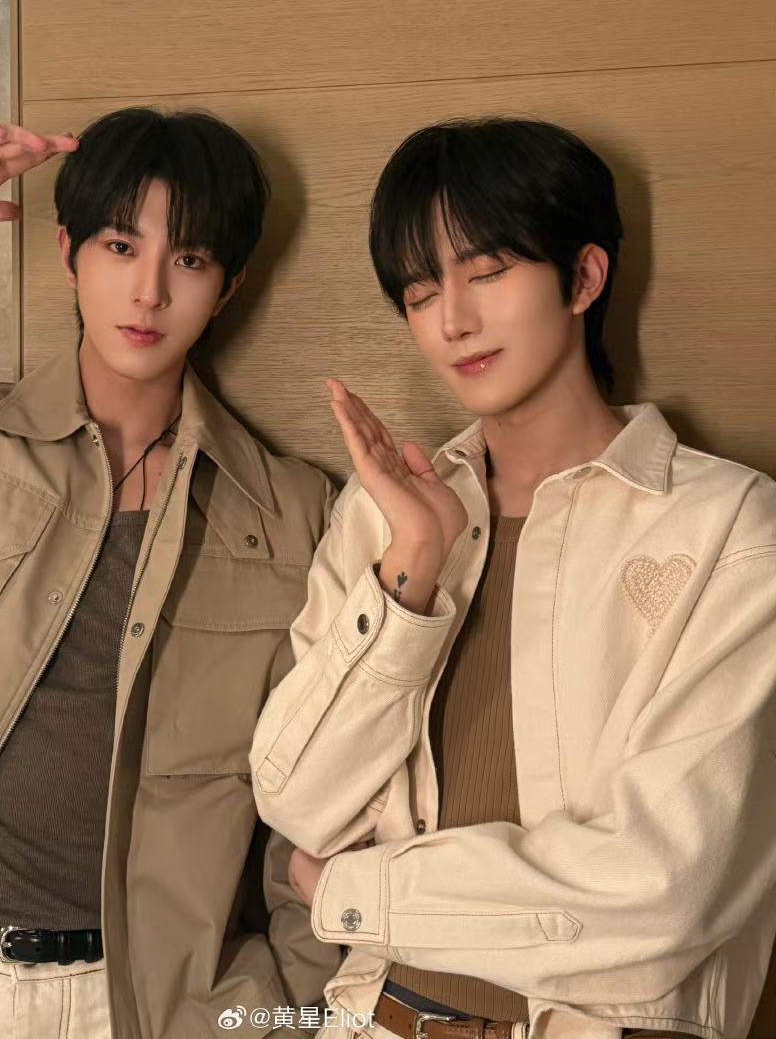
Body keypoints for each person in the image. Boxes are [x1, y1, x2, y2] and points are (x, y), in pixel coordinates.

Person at [0, 109, 340, 1038]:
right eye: (119, 246)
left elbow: (325, 801)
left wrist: (262, 1018)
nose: (148, 291)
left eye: (188, 260)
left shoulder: (290, 515)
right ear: (68, 253)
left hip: (142, 1009)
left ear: (227, 288)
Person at [250, 118, 776, 1039]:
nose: (452, 321)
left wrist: (352, 892)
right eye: (420, 292)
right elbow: (296, 799)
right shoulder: (386, 517)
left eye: (487, 272)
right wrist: (415, 564)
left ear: (584, 277)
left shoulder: (729, 529)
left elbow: (662, 893)